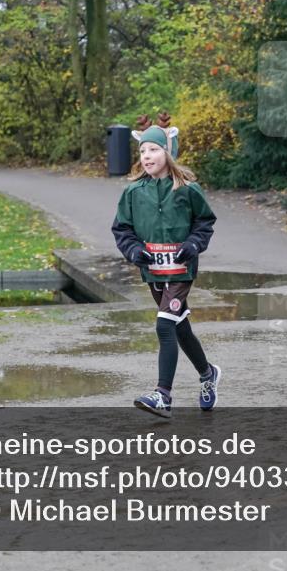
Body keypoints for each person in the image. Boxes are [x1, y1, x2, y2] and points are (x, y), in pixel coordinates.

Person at [111, 114, 219, 419]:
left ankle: (163, 395)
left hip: (182, 269)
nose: (147, 156)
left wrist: (193, 245)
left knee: (163, 325)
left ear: (168, 153)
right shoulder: (133, 192)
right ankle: (207, 373)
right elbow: (122, 229)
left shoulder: (187, 189)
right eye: (143, 151)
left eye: (154, 150)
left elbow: (205, 222)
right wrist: (134, 250)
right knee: (179, 327)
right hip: (153, 272)